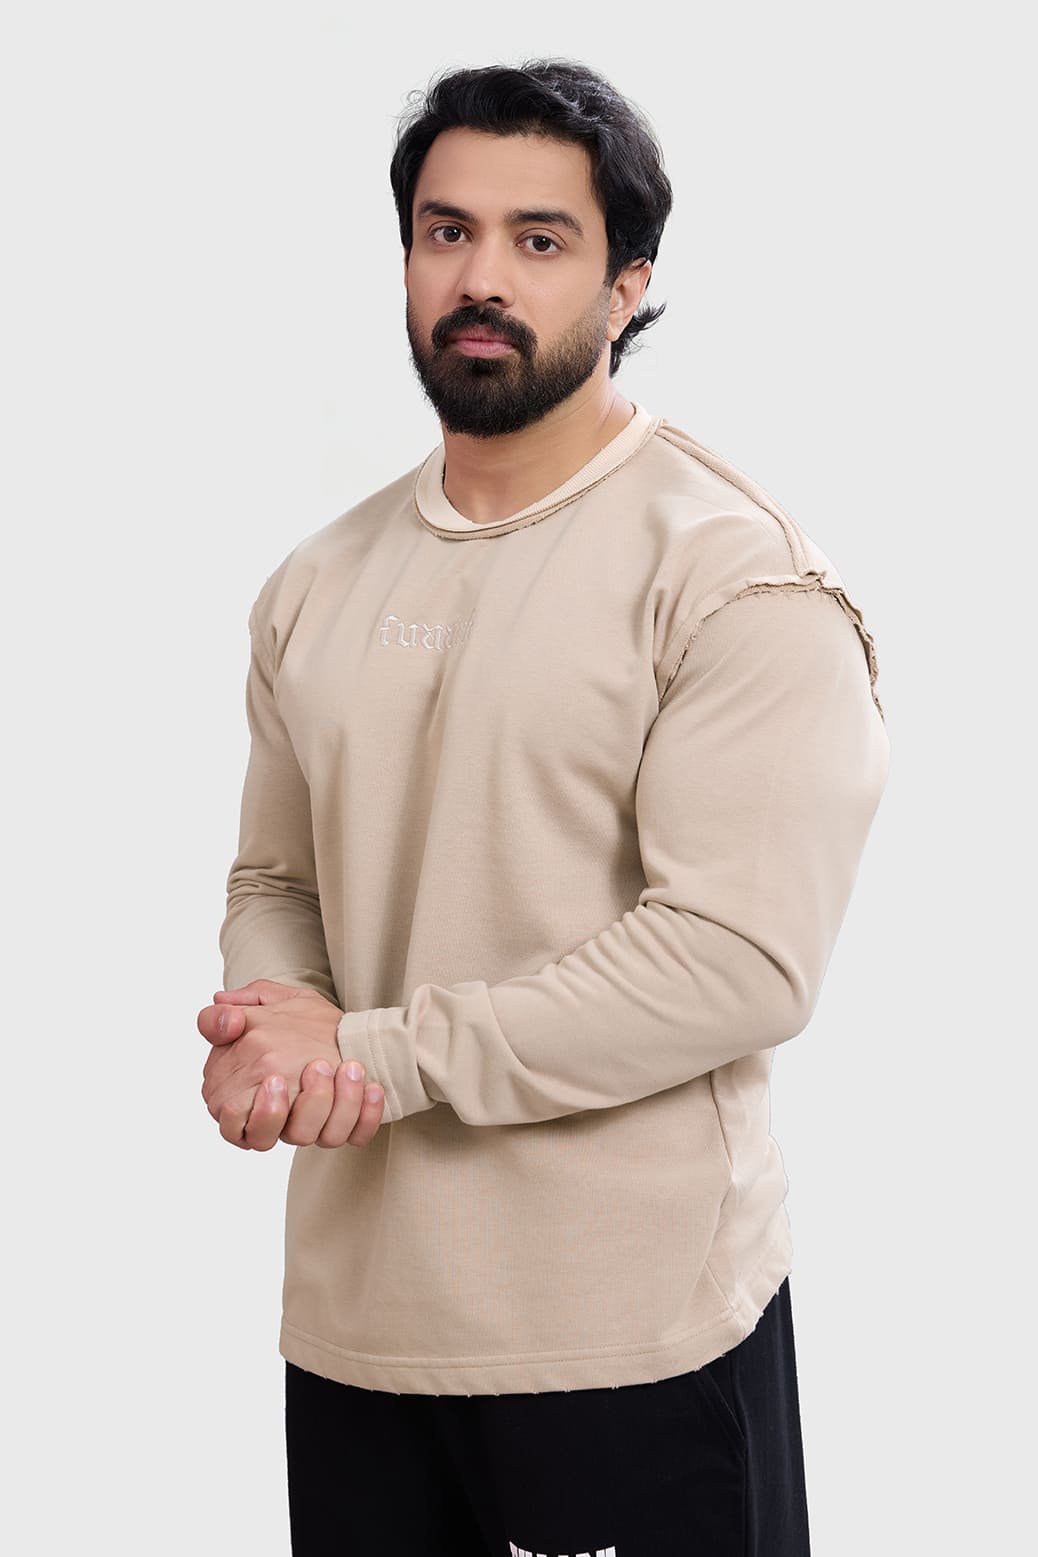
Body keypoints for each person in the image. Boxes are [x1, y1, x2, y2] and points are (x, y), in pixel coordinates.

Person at [198, 58, 890, 1557]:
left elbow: (735, 962)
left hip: (627, 1337)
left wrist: (366, 1055)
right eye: (446, 232)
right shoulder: (316, 582)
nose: (482, 279)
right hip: (357, 1330)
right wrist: (273, 1015)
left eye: (540, 239)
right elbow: (276, 876)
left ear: (628, 286)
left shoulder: (733, 573)